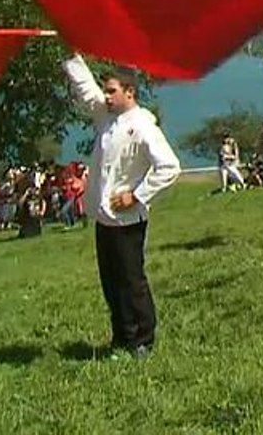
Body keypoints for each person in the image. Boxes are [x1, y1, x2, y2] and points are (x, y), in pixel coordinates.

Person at [64, 54, 181, 359]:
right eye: (106, 91)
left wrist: (138, 195)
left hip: (129, 219)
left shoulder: (143, 126)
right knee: (111, 283)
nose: (106, 96)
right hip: (104, 218)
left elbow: (169, 167)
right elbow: (86, 89)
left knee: (131, 282)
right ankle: (121, 337)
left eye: (112, 91)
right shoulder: (106, 116)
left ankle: (142, 339)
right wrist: (70, 55)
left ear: (130, 92)